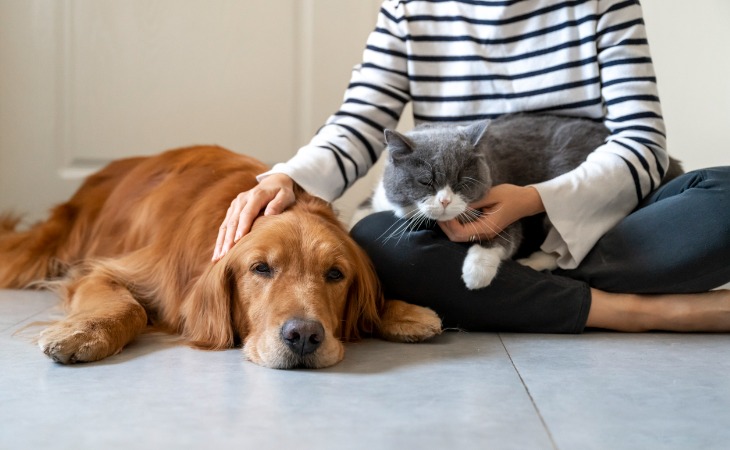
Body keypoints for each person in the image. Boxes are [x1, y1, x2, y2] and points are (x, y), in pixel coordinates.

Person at [213, 0, 730, 333]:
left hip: (605, 216)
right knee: (375, 241)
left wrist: (533, 200)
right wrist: (289, 177)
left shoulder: (602, 4)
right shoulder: (409, 9)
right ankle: (635, 310)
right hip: (459, 227)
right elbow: (360, 122)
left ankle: (518, 289)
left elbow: (641, 143)